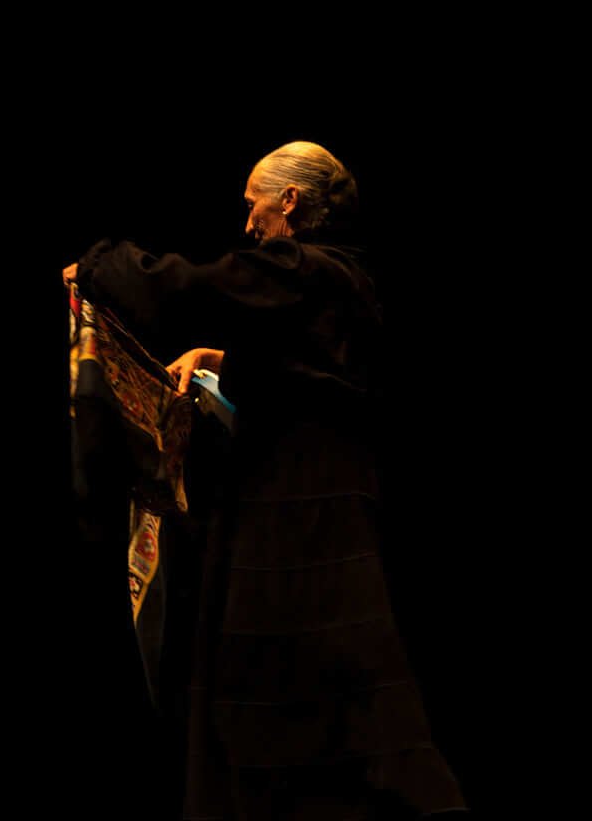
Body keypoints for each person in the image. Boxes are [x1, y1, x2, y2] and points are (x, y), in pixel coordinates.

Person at [62, 141, 470, 820]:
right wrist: (222, 359)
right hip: (319, 499)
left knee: (294, 686)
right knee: (325, 685)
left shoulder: (304, 268)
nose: (248, 221)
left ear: (289, 200)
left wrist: (103, 267)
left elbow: (194, 284)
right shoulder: (343, 275)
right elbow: (313, 369)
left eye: (254, 202)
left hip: (299, 509)